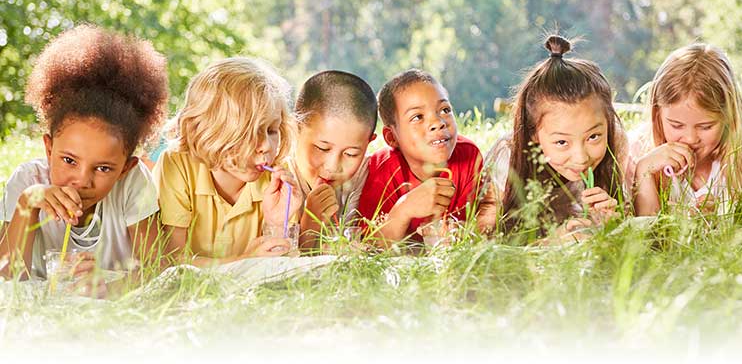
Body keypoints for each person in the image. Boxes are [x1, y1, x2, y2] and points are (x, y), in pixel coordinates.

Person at [1, 25, 169, 285]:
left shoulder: (132, 184)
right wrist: (28, 204)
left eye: (103, 168)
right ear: (49, 149)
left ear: (125, 168)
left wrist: (109, 287)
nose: (82, 180)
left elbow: (157, 270)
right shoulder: (27, 180)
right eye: (69, 161)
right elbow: (5, 279)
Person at [153, 58, 301, 265]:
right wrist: (244, 260)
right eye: (250, 133)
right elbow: (172, 261)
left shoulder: (278, 179)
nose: (266, 146)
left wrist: (276, 224)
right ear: (210, 132)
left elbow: (282, 268)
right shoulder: (177, 165)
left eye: (271, 130)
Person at [485, 35, 627, 242]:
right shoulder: (507, 160)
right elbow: (483, 243)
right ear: (533, 134)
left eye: (593, 137)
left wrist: (610, 228)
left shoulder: (615, 145)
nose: (581, 158)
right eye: (562, 142)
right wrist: (550, 244)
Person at [357, 68, 493, 247]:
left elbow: (481, 219)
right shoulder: (383, 169)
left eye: (444, 110)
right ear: (392, 137)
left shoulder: (468, 156)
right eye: (417, 117)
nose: (438, 122)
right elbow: (370, 246)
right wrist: (404, 209)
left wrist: (469, 230)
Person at [631, 43, 742, 216]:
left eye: (706, 127)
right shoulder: (640, 148)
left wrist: (715, 221)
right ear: (657, 114)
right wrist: (644, 170)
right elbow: (644, 229)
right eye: (676, 125)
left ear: (728, 117)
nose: (691, 138)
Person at [291, 70, 378, 251]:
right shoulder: (276, 178)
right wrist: (310, 224)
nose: (332, 167)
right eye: (322, 148)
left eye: (351, 154)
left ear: (368, 143)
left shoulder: (367, 178)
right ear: (295, 129)